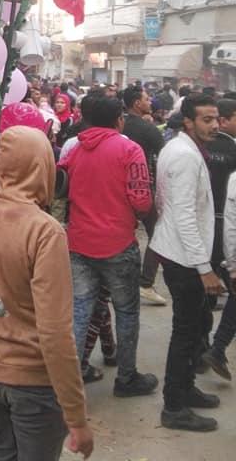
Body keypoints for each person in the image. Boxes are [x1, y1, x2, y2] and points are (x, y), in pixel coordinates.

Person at [0, 124, 94, 460]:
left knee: (0, 453)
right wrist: (77, 417)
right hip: (33, 382)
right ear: (43, 168)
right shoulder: (45, 231)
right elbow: (55, 333)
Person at [59, 96, 158, 399]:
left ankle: (70, 382)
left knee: (80, 312)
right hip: (118, 243)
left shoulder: (74, 150)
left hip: (79, 243)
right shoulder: (130, 149)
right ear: (119, 119)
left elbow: (58, 183)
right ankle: (126, 379)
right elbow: (142, 200)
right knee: (127, 312)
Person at [151, 95, 223, 432]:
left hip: (179, 251)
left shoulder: (181, 148)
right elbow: (183, 215)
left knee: (193, 329)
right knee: (185, 333)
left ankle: (184, 390)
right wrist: (204, 267)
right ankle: (174, 407)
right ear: (188, 122)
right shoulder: (183, 156)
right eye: (207, 120)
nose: (215, 125)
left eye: (216, 118)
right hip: (183, 258)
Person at [122, 85, 167, 306]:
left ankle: (117, 283)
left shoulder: (118, 124)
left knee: (123, 232)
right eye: (147, 99)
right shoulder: (147, 128)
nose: (150, 102)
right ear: (137, 104)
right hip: (141, 186)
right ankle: (146, 283)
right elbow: (164, 153)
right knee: (157, 233)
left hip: (118, 187)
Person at [202, 97, 236, 379]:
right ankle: (211, 349)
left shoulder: (193, 146)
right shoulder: (229, 148)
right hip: (220, 226)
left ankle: (207, 349)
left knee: (206, 291)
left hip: (209, 226)